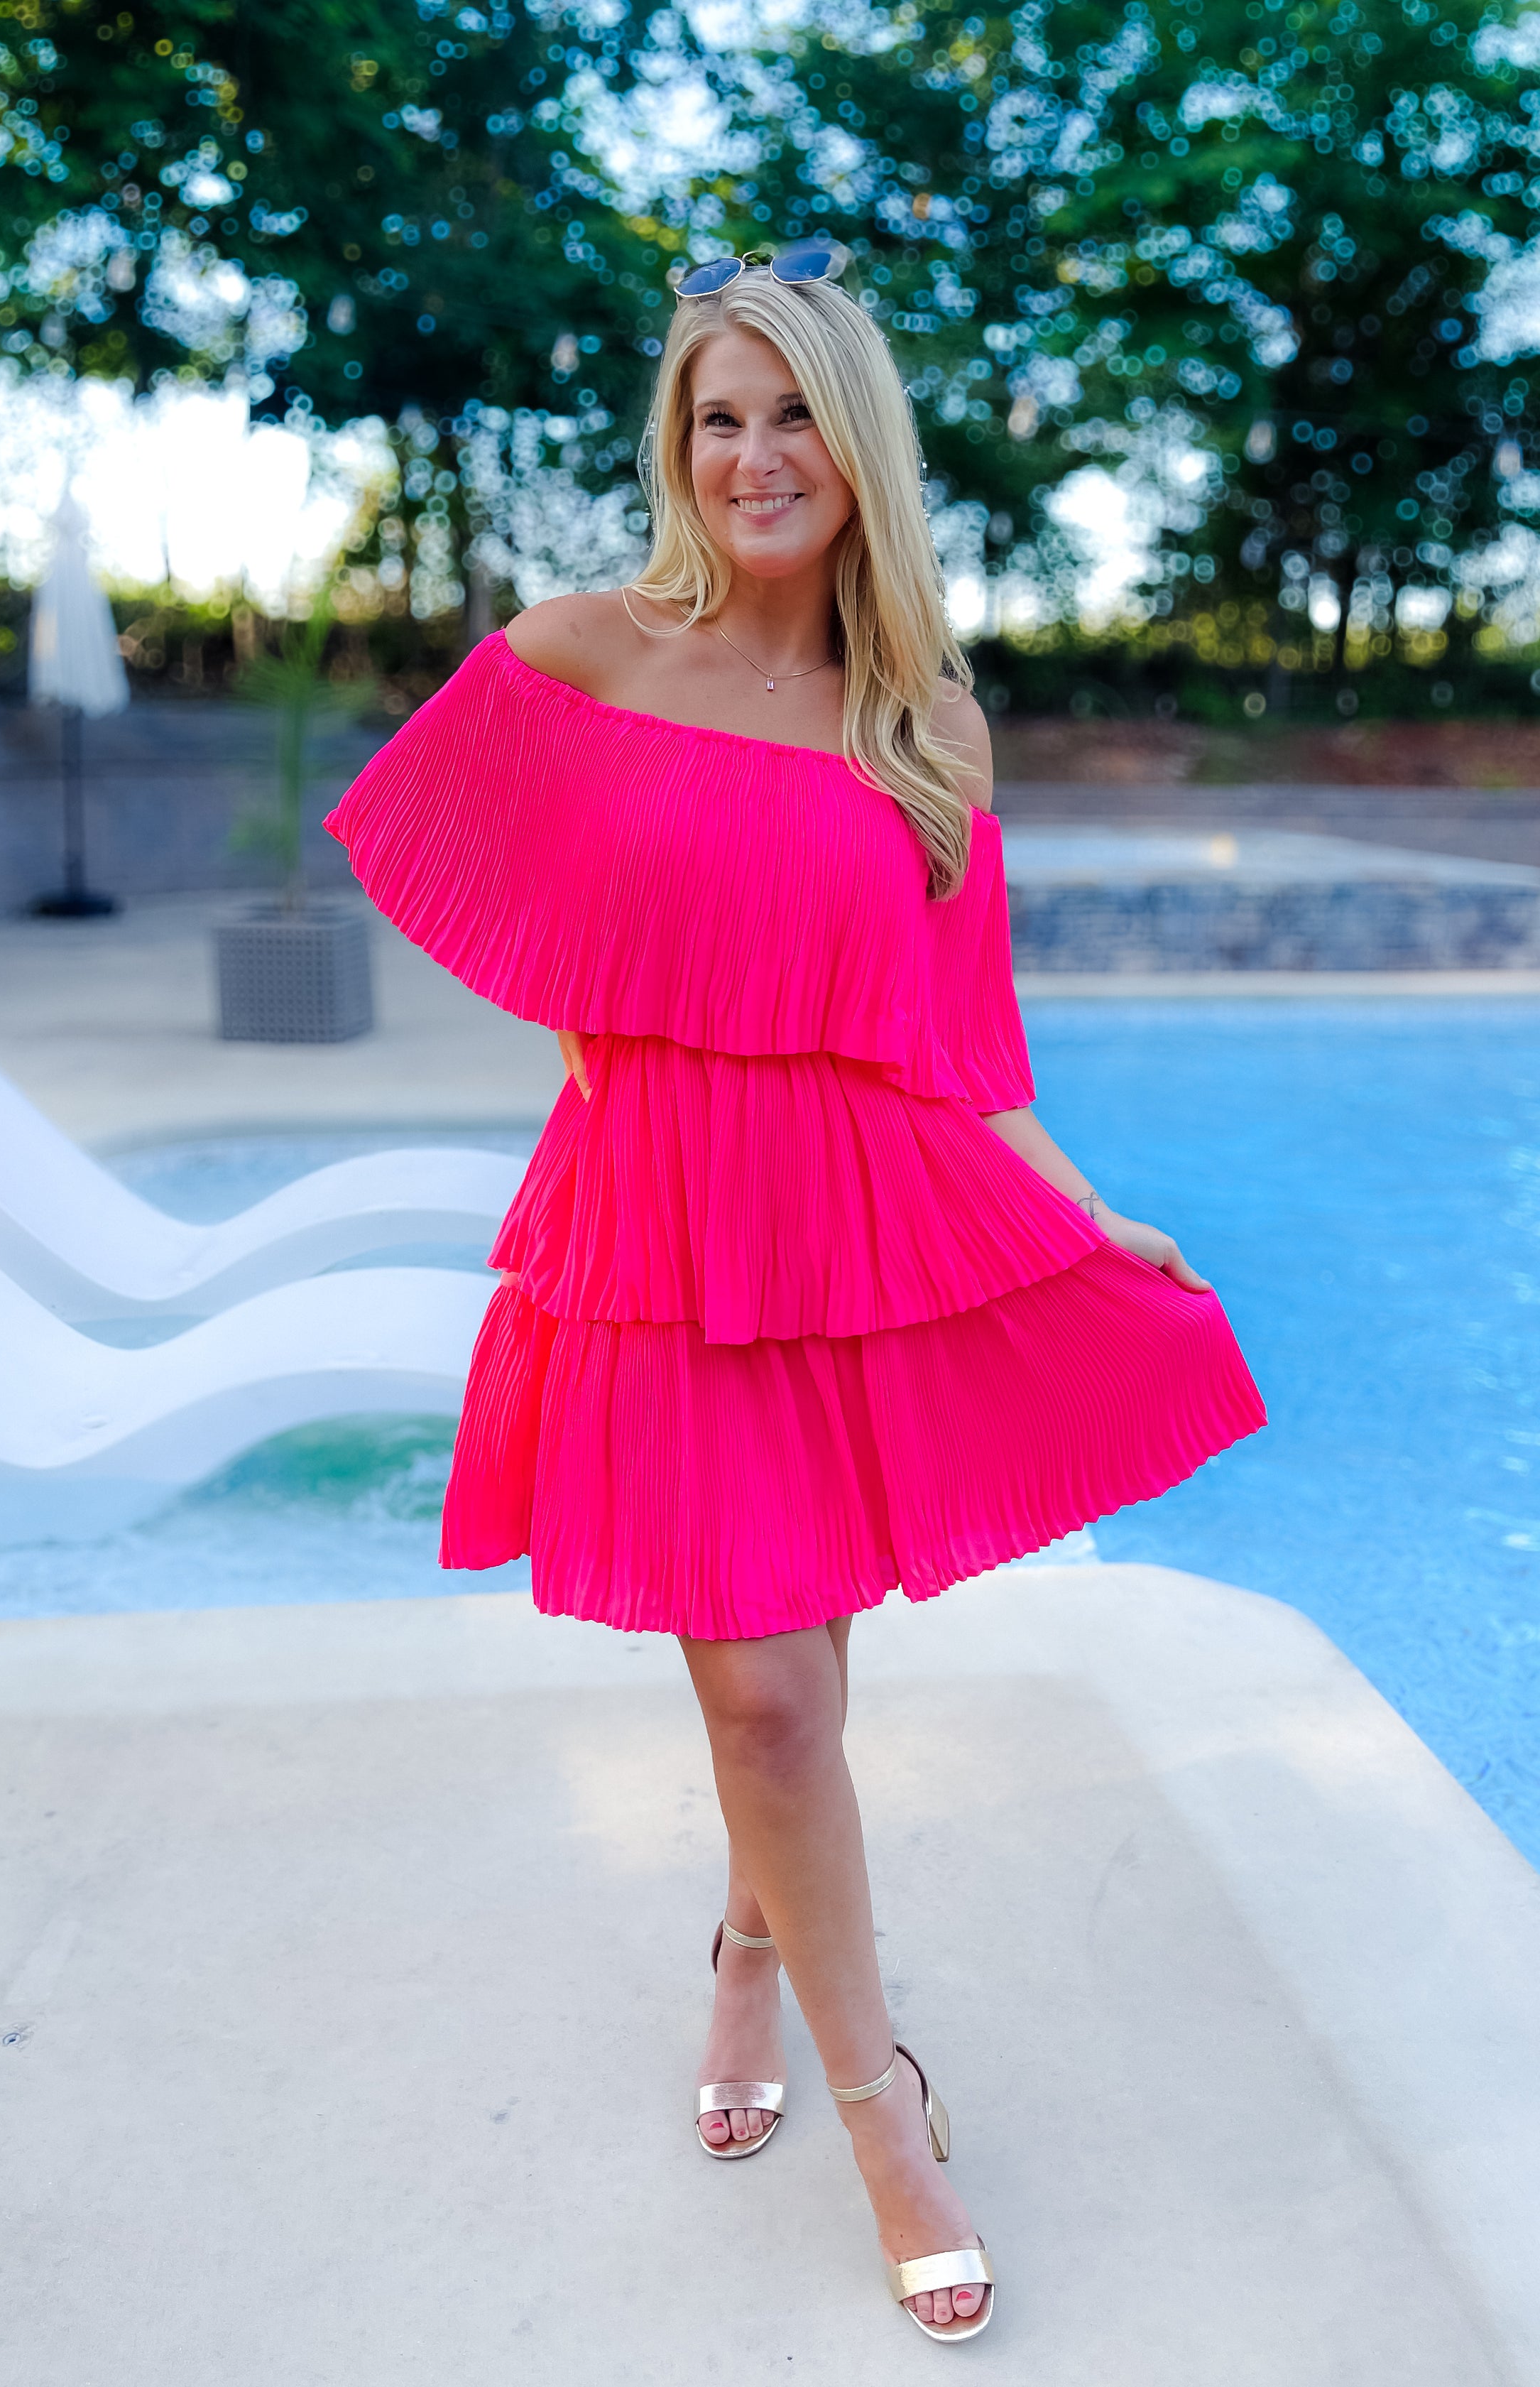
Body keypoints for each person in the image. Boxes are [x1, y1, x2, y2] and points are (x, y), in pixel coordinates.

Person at [326, 250, 1265, 2345]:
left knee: (805, 1690)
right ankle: (886, 2112)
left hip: (850, 1227)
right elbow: (446, 864)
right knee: (765, 1699)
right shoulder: (580, 655)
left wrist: (1087, 1214)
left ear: (861, 449)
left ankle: (752, 1948)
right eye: (716, 418)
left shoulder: (926, 721)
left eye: (791, 417)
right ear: (678, 448)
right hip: (655, 1231)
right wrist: (607, 1038)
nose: (753, 457)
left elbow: (965, 1042)